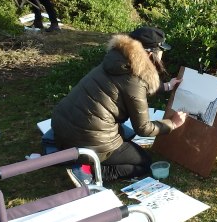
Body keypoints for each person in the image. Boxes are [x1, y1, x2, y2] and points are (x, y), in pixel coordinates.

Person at [52, 26, 186, 182]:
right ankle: (90, 170)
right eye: (161, 51)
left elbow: (134, 87)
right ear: (150, 54)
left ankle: (77, 159)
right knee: (144, 162)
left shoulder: (117, 61)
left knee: (126, 134)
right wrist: (172, 123)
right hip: (88, 141)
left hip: (61, 128)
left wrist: (167, 86)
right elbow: (143, 128)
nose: (162, 55)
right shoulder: (134, 80)